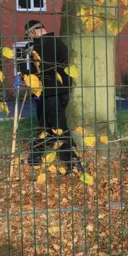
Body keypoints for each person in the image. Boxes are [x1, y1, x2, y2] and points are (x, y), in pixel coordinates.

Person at [16, 20, 83, 173]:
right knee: (46, 124)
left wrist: (24, 70)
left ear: (32, 33)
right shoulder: (58, 43)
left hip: (49, 93)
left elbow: (39, 71)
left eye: (29, 36)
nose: (30, 40)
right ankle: (35, 157)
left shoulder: (40, 46)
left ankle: (73, 161)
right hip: (62, 91)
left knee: (58, 127)